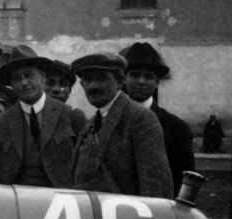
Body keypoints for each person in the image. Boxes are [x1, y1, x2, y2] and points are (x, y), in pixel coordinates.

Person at [0, 46, 85, 188]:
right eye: (16, 78)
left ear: (43, 77)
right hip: (15, 204)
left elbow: (85, 170)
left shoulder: (72, 116)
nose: (23, 83)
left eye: (29, 75)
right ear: (11, 85)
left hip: (61, 203)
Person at [70, 52, 172, 198]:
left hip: (127, 218)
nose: (93, 86)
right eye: (87, 80)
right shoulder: (91, 124)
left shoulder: (140, 118)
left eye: (101, 78)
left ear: (119, 82)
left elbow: (156, 187)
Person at [122, 42, 195, 197]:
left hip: (159, 210)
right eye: (134, 75)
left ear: (157, 83)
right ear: (124, 79)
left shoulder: (176, 127)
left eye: (148, 76)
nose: (141, 81)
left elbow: (185, 181)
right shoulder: (112, 120)